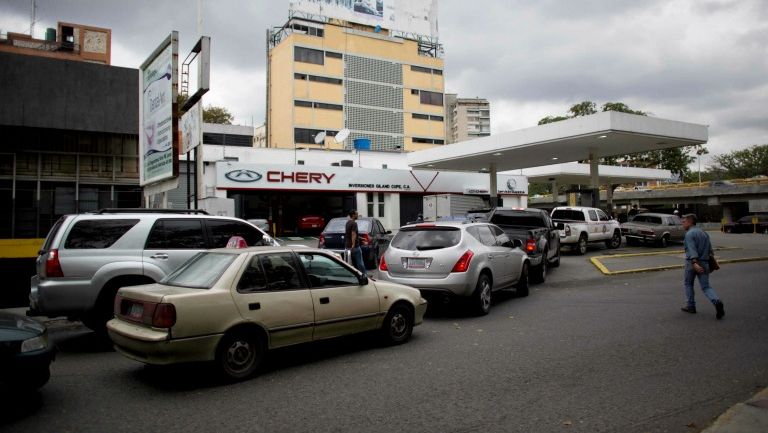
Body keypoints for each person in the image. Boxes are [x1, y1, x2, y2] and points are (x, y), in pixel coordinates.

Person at [680, 213, 725, 319]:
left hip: (692, 263)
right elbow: (710, 250)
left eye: (684, 221)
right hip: (705, 262)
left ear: (690, 222)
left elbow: (692, 249)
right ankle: (716, 301)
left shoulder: (689, 234)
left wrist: (694, 262)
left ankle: (691, 306)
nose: (682, 223)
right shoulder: (704, 233)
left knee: (688, 283)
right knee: (706, 287)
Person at [344, 210, 366, 275]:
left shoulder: (347, 223)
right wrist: (353, 245)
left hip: (347, 246)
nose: (357, 215)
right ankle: (364, 276)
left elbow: (349, 234)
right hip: (355, 247)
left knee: (351, 264)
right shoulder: (354, 223)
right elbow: (353, 234)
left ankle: (354, 275)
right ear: (353, 215)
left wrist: (360, 238)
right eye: (356, 214)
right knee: (360, 263)